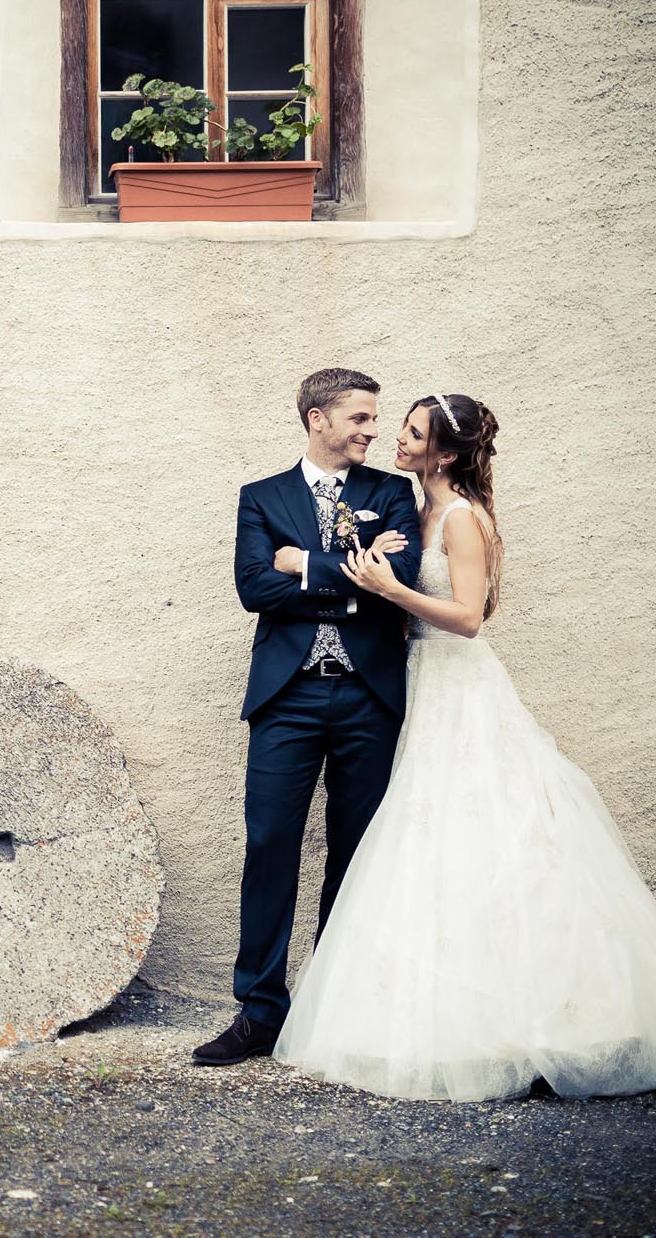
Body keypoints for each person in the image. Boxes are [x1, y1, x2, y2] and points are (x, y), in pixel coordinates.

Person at [271, 392, 656, 1099]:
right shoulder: (414, 507)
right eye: (401, 427)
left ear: (447, 453)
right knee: (425, 839)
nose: (397, 438)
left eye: (413, 433)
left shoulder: (463, 517)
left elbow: (467, 618)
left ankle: (525, 1016)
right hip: (418, 685)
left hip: (460, 685)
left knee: (488, 832)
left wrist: (392, 591)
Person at [194, 369, 423, 1066]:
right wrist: (346, 569)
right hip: (287, 698)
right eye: (359, 417)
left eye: (375, 419)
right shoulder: (261, 497)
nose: (372, 430)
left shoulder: (391, 493)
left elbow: (401, 584)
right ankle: (260, 1011)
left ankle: (335, 1005)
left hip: (367, 697)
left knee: (355, 855)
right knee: (269, 846)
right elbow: (253, 587)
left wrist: (303, 565)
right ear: (317, 418)